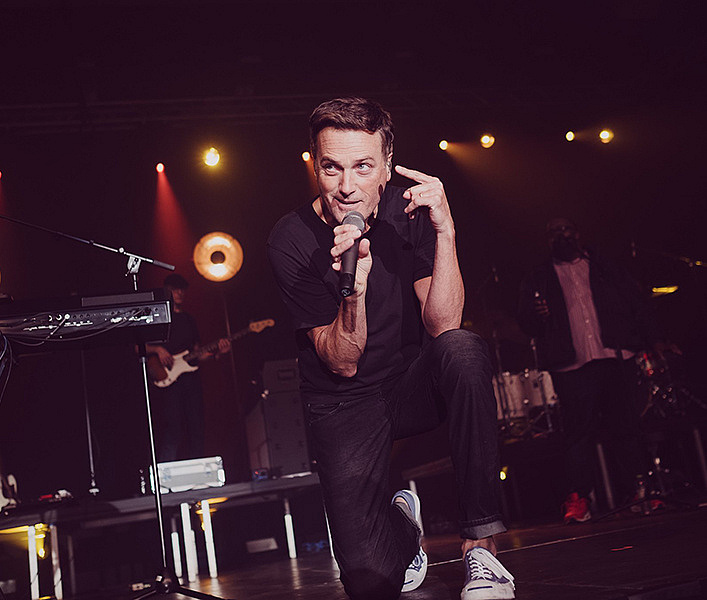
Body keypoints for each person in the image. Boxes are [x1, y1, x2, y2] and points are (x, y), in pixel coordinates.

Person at [267, 97, 514, 600]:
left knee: (463, 350)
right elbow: (342, 361)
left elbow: (443, 324)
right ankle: (403, 526)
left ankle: (481, 549)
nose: (346, 186)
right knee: (369, 581)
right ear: (315, 166)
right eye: (332, 167)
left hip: (407, 384)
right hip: (343, 402)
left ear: (386, 166)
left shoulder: (411, 209)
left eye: (363, 166)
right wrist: (352, 291)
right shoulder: (290, 239)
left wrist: (446, 231)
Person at [518, 218, 658, 523]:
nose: (561, 235)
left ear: (577, 233)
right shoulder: (540, 277)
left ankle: (638, 491)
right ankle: (579, 499)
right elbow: (525, 322)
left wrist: (648, 342)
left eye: (565, 229)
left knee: (626, 427)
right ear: (547, 240)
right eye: (554, 232)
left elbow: (635, 302)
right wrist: (537, 315)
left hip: (614, 355)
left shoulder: (604, 267)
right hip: (572, 365)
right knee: (578, 434)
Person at [146, 273, 230, 463]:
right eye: (175, 289)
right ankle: (165, 470)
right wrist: (158, 349)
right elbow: (138, 347)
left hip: (191, 379)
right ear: (167, 291)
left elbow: (198, 353)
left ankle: (198, 468)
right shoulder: (158, 319)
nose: (180, 293)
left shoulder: (189, 320)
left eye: (182, 289)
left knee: (196, 425)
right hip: (168, 380)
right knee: (173, 426)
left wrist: (218, 353)